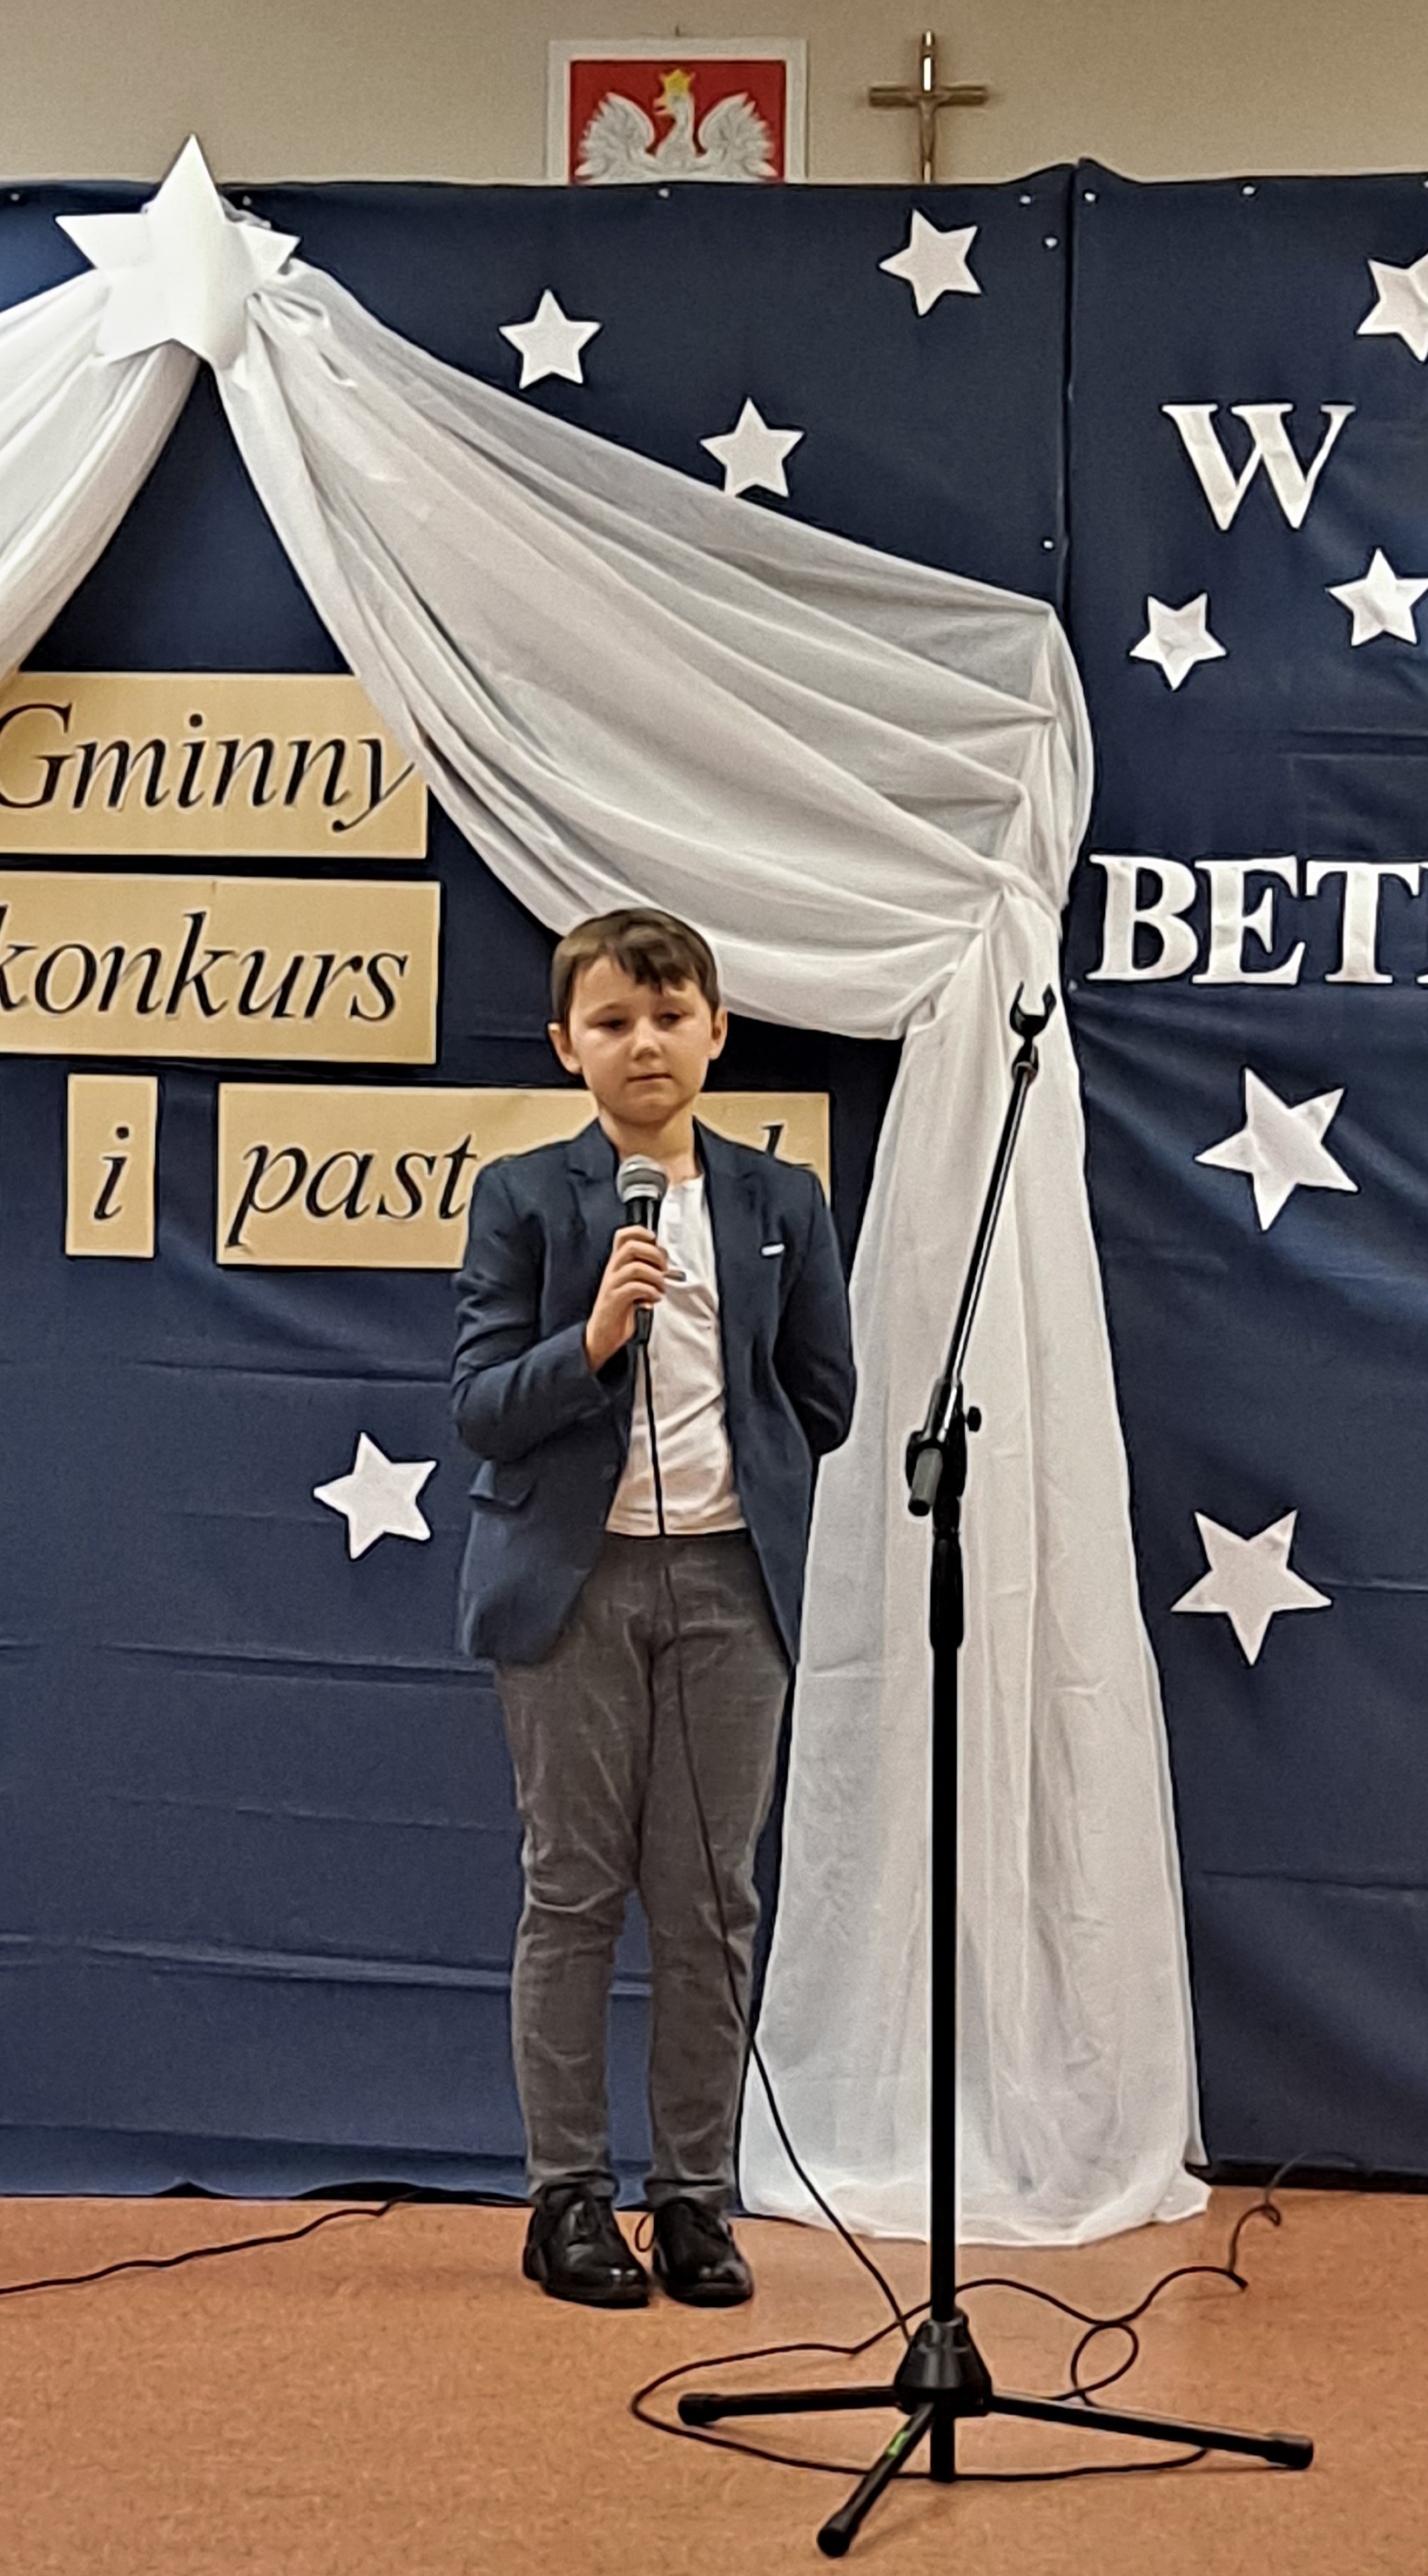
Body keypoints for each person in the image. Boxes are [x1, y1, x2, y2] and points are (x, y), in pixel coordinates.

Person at [451, 906, 857, 2309]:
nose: (644, 1043)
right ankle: (566, 2195)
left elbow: (825, 1395)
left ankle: (692, 2195)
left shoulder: (778, 1203)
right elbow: (479, 1406)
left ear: (717, 1030)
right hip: (570, 1587)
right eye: (613, 1021)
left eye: (670, 1015)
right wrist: (593, 1340)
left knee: (709, 1901)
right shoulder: (523, 1195)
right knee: (570, 1891)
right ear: (565, 1044)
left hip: (729, 1586)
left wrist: (748, 1462)